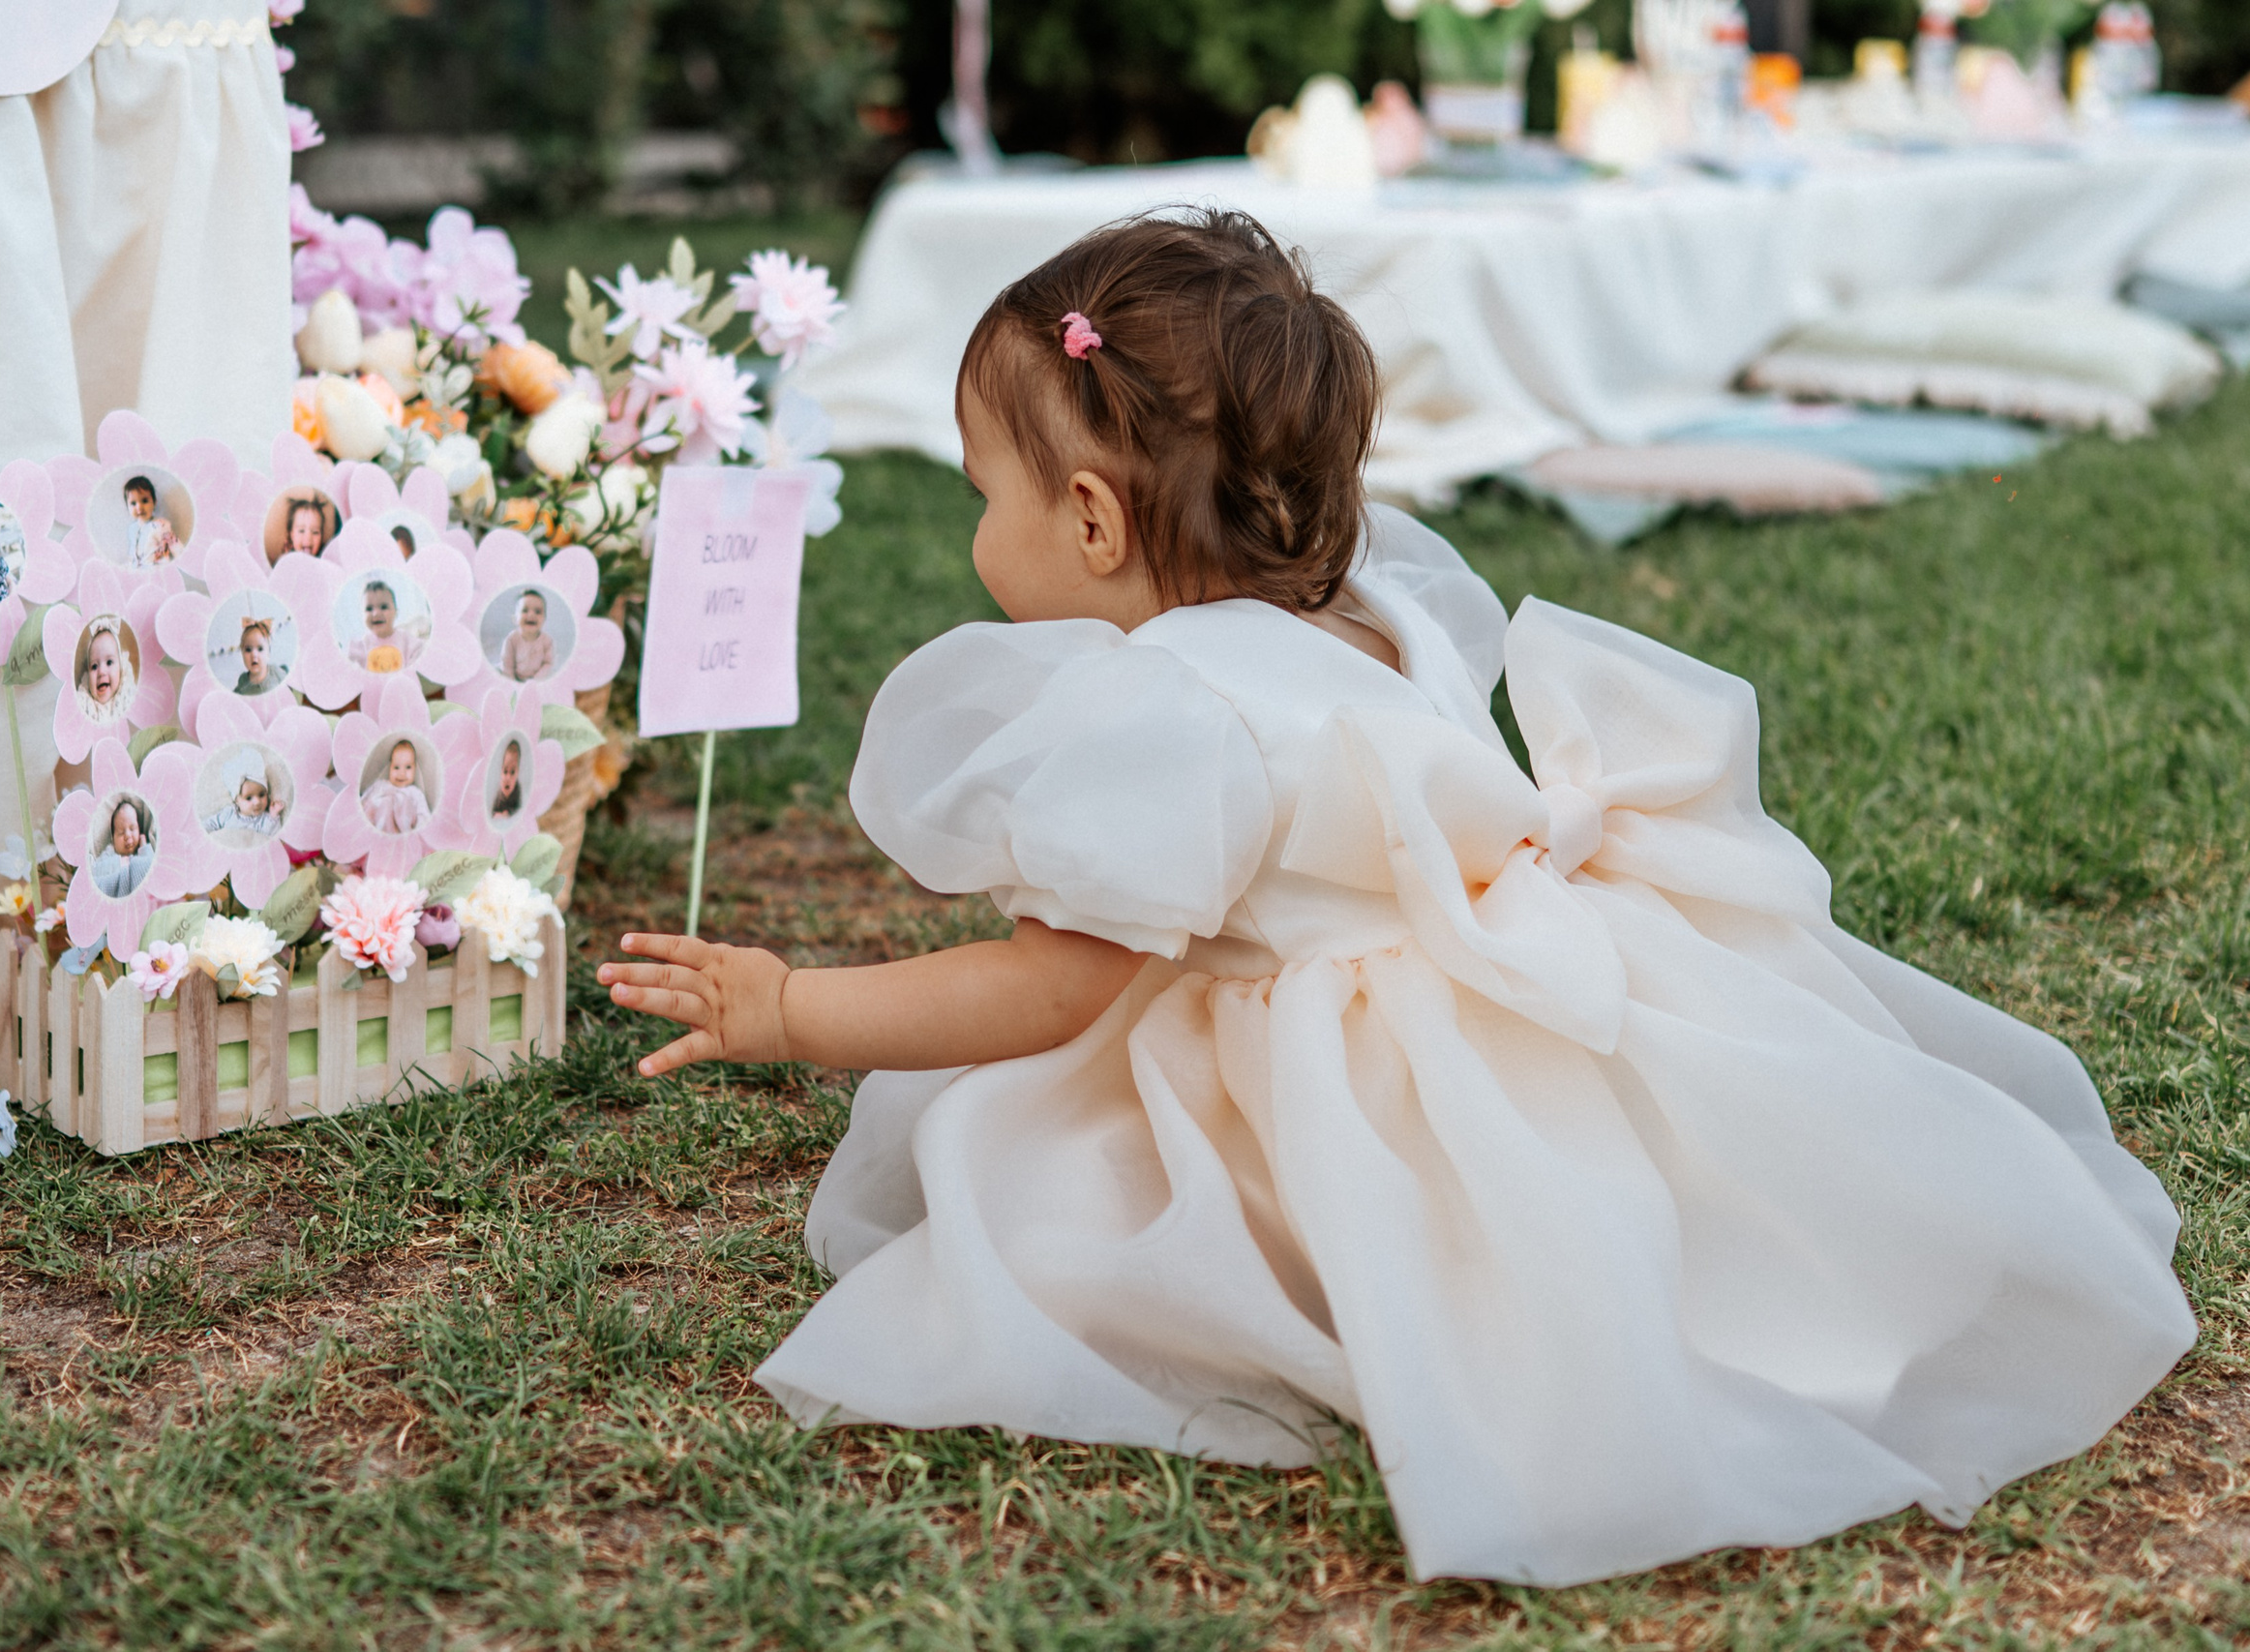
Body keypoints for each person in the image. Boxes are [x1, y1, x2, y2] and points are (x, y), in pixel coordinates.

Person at [595, 210, 2196, 1587]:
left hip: (1366, 1073)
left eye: (982, 492)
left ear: (1089, 520)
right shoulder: (1366, 610)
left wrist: (793, 1006)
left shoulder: (1168, 715)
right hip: (1523, 986)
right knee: (1716, 1210)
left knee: (1056, 1198)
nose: (974, 530)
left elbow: (1051, 987)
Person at [202, 749, 285, 842]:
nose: (257, 802)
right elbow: (209, 824)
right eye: (249, 798)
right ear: (237, 800)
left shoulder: (264, 820)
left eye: (261, 795)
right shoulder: (228, 813)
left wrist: (273, 815)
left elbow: (272, 837)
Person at [344, 579, 420, 673]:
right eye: (369, 608)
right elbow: (351, 668)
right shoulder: (362, 646)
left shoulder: (405, 638)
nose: (376, 613)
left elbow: (420, 651)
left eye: (384, 607)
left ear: (396, 612)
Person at [360, 739, 429, 834]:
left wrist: (416, 835)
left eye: (408, 767)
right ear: (390, 767)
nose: (402, 773)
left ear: (415, 769)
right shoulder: (380, 784)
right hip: (373, 830)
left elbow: (424, 816)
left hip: (400, 836)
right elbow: (364, 799)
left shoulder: (415, 792)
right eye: (396, 767)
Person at [90, 797, 155, 897]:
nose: (128, 835)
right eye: (121, 833)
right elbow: (95, 871)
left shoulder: (142, 851)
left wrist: (144, 846)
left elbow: (151, 867)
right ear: (113, 839)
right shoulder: (110, 852)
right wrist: (120, 862)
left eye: (132, 828)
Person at [74, 616, 133, 724]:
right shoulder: (84, 703)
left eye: (109, 662)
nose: (101, 672)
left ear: (120, 669)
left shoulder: (127, 695)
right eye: (94, 666)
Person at [121, 476, 179, 569]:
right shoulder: (132, 529)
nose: (139, 507)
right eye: (133, 503)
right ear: (127, 506)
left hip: (157, 569)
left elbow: (176, 546)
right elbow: (132, 553)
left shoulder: (161, 525)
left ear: (154, 502)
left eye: (144, 501)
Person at [497, 589, 555, 682]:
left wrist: (534, 682)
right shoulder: (512, 639)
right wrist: (512, 683)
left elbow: (548, 664)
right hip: (514, 677)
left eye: (538, 612)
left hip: (537, 679)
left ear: (544, 619)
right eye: (525, 610)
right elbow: (507, 664)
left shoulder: (547, 641)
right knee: (499, 672)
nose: (531, 615)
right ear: (515, 619)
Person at [231, 616, 282, 696]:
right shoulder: (243, 680)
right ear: (242, 654)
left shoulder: (275, 672)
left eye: (260, 649)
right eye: (248, 650)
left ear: (268, 653)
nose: (254, 655)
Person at [489, 738, 525, 818]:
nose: (508, 778)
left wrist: (507, 814)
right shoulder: (497, 796)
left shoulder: (518, 794)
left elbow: (520, 812)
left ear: (517, 772)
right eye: (505, 772)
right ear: (500, 771)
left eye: (512, 772)